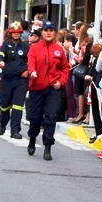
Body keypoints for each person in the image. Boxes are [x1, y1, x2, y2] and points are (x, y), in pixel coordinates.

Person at [27, 21, 70, 160]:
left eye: (51, 30)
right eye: (46, 30)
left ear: (55, 33)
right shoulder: (34, 48)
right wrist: (32, 72)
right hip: (37, 88)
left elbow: (65, 68)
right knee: (35, 118)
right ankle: (32, 138)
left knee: (51, 117)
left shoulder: (59, 49)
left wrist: (61, 82)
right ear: (42, 32)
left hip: (53, 89)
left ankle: (48, 146)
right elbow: (31, 63)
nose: (49, 32)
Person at [0, 22, 30, 138]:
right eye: (14, 32)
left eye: (18, 32)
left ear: (21, 33)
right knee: (4, 103)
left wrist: (28, 71)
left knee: (18, 105)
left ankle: (15, 130)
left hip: (20, 80)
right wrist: (0, 61)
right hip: (7, 78)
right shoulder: (6, 45)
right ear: (10, 33)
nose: (16, 34)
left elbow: (31, 61)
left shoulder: (25, 47)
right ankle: (3, 122)